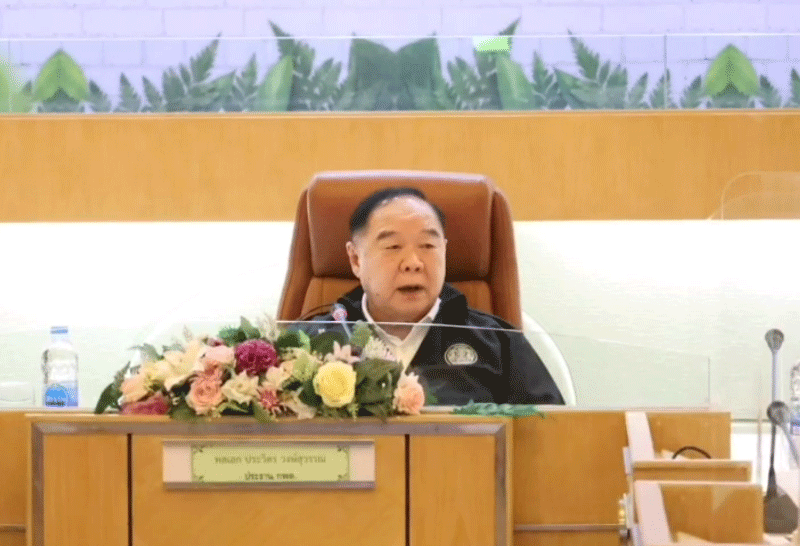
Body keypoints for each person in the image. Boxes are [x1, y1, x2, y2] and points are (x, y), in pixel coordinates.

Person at [311, 187, 564, 406]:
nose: (413, 263)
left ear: (444, 250)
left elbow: (553, 433)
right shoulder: (311, 342)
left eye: (428, 246)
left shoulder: (498, 343)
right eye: (393, 247)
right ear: (356, 259)